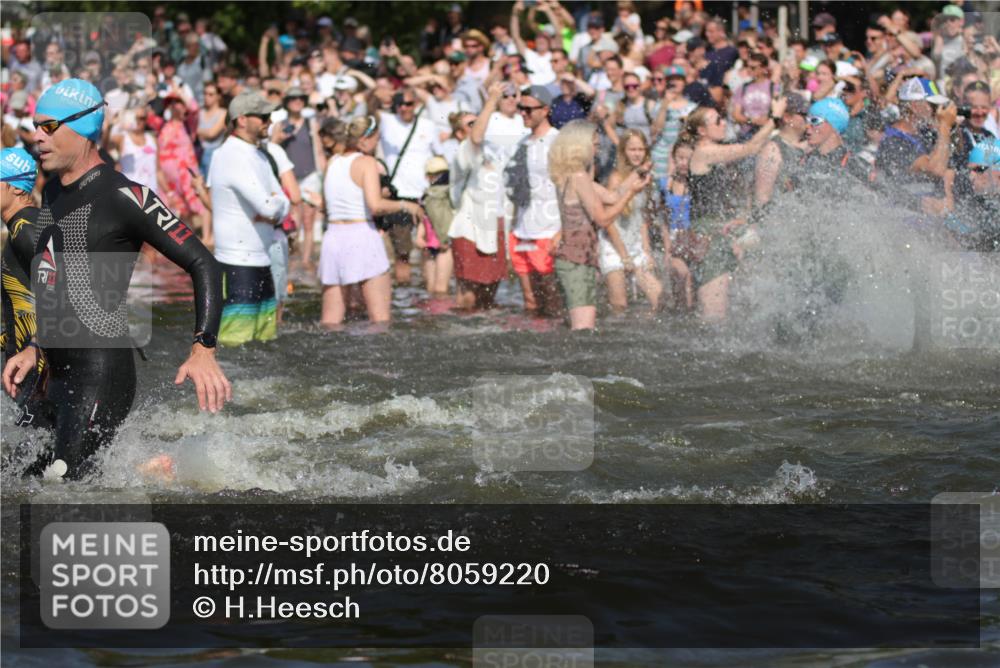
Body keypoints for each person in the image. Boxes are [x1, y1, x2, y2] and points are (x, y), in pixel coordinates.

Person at [2, 79, 229, 480]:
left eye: (49, 127)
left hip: (100, 372)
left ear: (86, 127)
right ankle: (149, 470)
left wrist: (203, 348)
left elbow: (204, 263)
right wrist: (36, 347)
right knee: (21, 476)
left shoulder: (127, 196)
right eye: (35, 126)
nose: (36, 137)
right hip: (56, 371)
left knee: (67, 487)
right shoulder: (52, 192)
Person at [684, 97, 786, 321]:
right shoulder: (704, 152)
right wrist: (775, 118)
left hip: (723, 231)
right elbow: (751, 148)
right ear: (702, 130)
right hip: (708, 235)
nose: (723, 123)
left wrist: (741, 219)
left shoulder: (715, 152)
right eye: (718, 120)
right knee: (714, 316)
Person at [319, 115, 423, 326]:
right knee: (380, 320)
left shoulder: (332, 162)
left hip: (333, 239)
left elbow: (324, 206)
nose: (378, 144)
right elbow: (375, 205)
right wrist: (406, 205)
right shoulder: (367, 162)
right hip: (361, 235)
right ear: (364, 140)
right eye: (377, 138)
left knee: (330, 322)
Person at [548, 120, 649, 330]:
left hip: (576, 259)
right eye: (595, 144)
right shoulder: (578, 177)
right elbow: (602, 218)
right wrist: (631, 193)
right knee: (583, 330)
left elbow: (612, 196)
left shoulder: (572, 175)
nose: (598, 148)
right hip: (576, 260)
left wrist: (636, 175)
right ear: (580, 145)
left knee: (579, 326)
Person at [208, 90, 291, 346]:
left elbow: (284, 202)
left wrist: (275, 206)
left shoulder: (259, 154)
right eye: (263, 116)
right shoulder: (230, 155)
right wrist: (274, 206)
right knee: (234, 346)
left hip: (262, 258)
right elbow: (269, 206)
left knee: (264, 343)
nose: (269, 121)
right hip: (236, 264)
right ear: (242, 120)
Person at [504, 86, 562, 316]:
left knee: (552, 299)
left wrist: (563, 231)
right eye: (521, 108)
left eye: (528, 109)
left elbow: (568, 190)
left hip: (548, 231)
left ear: (545, 110)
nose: (523, 114)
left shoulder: (557, 141)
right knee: (530, 302)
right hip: (521, 230)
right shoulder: (522, 143)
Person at [378, 87, 440, 285]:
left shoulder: (428, 125)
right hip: (399, 196)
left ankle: (425, 289)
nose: (405, 108)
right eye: (401, 104)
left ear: (415, 105)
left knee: (429, 248)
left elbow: (439, 155)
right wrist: (376, 93)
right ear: (395, 106)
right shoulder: (387, 123)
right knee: (402, 252)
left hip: (425, 195)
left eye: (409, 104)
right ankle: (404, 293)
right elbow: (370, 108)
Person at [601, 129, 664, 313]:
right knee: (620, 305)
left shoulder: (646, 178)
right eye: (632, 149)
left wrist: (647, 251)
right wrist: (624, 256)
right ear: (623, 152)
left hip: (635, 243)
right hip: (613, 244)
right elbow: (609, 221)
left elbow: (642, 218)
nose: (637, 154)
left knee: (659, 299)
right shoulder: (616, 178)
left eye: (641, 149)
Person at [279, 86, 325, 271]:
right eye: (292, 98)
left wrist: (324, 173)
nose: (297, 101)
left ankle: (306, 260)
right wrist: (281, 137)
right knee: (292, 221)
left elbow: (319, 149)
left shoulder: (310, 123)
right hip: (290, 176)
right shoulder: (280, 125)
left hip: (310, 175)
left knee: (308, 219)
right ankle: (292, 257)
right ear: (287, 102)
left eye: (300, 98)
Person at [158, 94, 212, 245]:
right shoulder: (163, 125)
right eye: (172, 103)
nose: (175, 105)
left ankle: (207, 237)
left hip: (187, 175)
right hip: (170, 179)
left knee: (201, 203)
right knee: (182, 211)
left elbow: (194, 108)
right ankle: (191, 240)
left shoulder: (189, 123)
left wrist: (181, 91)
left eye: (178, 102)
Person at [754, 93, 809, 212]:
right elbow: (762, 197)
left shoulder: (809, 145)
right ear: (787, 117)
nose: (808, 119)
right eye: (804, 115)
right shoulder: (772, 150)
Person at [416, 156, 454, 297]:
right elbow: (424, 216)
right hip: (429, 242)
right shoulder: (427, 195)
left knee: (440, 288)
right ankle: (434, 314)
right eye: (435, 175)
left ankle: (441, 316)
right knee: (431, 287)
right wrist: (419, 236)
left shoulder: (448, 193)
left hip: (444, 244)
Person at [197, 82, 227, 177]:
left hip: (214, 155)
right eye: (205, 94)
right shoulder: (200, 112)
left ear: (218, 96)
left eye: (211, 94)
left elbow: (211, 133)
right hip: (198, 153)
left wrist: (196, 130)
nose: (206, 97)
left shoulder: (223, 113)